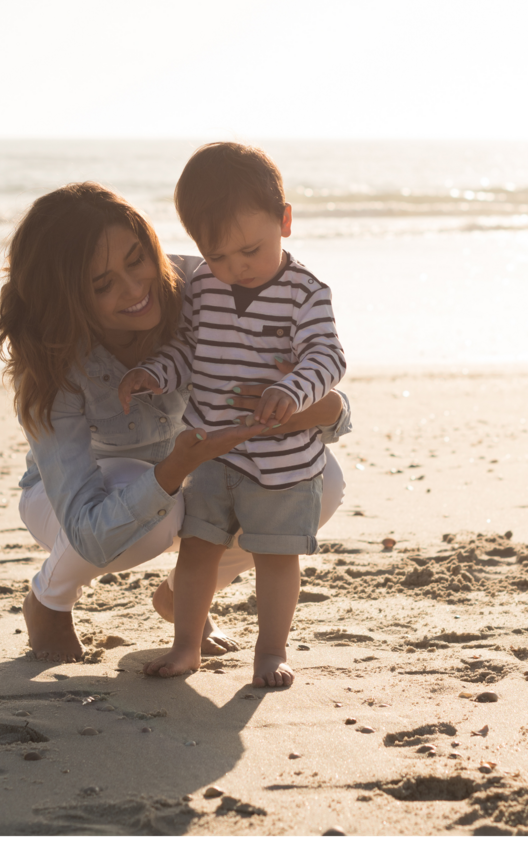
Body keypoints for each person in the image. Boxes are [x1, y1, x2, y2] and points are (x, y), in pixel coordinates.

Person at [0, 181, 350, 663]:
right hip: (74, 498)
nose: (136, 290)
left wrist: (328, 411)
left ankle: (182, 596)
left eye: (137, 259)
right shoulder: (53, 357)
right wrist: (172, 471)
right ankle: (50, 599)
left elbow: (318, 370)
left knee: (321, 482)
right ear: (68, 298)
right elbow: (87, 528)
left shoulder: (212, 281)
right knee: (157, 513)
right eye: (102, 285)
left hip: (202, 474)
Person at [120, 143, 344, 688]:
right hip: (214, 450)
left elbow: (328, 358)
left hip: (285, 460)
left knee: (275, 558)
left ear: (284, 221)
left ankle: (270, 652)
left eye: (250, 250)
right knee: (199, 548)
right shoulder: (202, 287)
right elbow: (186, 349)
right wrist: (156, 373)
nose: (235, 268)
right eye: (217, 256)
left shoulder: (305, 293)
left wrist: (292, 390)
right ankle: (187, 646)